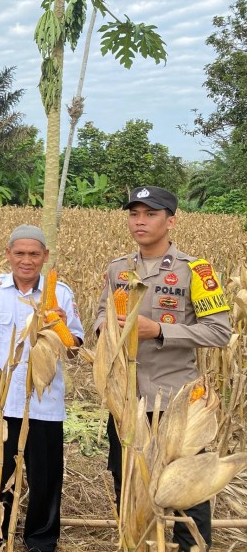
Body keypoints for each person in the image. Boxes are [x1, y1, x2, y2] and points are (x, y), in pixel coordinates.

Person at [94, 186, 231, 551]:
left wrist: (158, 331)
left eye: (150, 214)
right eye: (134, 214)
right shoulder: (118, 268)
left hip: (175, 399)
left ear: (170, 220)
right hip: (125, 399)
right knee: (127, 483)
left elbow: (220, 331)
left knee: (189, 491)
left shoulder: (195, 271)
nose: (140, 222)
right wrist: (105, 330)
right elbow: (99, 315)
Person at [0, 224, 84, 552]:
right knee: (2, 472)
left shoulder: (63, 294)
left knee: (45, 476)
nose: (26, 260)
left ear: (45, 256)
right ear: (8, 254)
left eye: (34, 254)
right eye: (20, 253)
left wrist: (58, 327)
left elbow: (74, 348)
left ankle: (41, 539)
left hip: (44, 402)